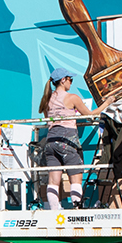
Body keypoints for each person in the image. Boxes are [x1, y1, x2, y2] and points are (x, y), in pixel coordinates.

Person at [37, 68, 93, 209]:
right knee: (75, 179)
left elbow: (48, 119)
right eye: (70, 79)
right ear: (63, 80)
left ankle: (54, 210)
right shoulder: (72, 98)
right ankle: (76, 209)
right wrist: (107, 103)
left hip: (51, 140)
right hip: (68, 140)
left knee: (53, 181)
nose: (71, 82)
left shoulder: (47, 99)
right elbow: (91, 115)